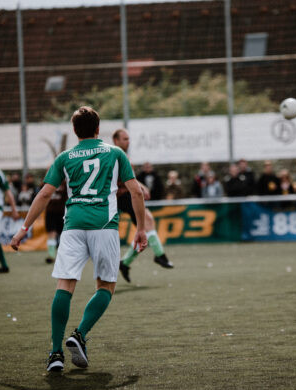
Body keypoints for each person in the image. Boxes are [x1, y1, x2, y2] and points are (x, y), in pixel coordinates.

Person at [10, 106, 148, 372]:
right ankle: (80, 334)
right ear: (98, 128)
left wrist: (23, 229)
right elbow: (137, 193)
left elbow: (44, 195)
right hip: (104, 226)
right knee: (106, 286)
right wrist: (140, 228)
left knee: (65, 286)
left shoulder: (64, 157)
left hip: (72, 227)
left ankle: (55, 353)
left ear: (75, 131)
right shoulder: (115, 153)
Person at [113, 129, 174, 283]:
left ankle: (125, 263)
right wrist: (140, 187)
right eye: (125, 139)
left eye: (128, 139)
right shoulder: (114, 155)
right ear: (116, 140)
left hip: (124, 195)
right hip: (121, 196)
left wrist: (141, 186)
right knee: (146, 224)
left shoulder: (122, 156)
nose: (128, 141)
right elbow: (123, 179)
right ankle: (160, 256)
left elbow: (129, 177)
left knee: (148, 223)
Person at [44, 180, 67, 264]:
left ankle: (63, 256)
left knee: (64, 235)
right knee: (51, 234)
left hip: (62, 212)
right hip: (50, 212)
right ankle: (51, 255)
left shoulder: (66, 182)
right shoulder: (47, 182)